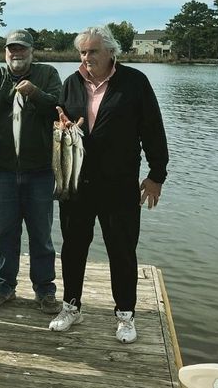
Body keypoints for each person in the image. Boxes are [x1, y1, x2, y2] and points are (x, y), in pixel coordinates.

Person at [48, 26, 169, 344]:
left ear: (111, 52)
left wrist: (157, 175)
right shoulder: (72, 83)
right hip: (77, 184)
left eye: (93, 51)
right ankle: (71, 307)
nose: (87, 57)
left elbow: (153, 130)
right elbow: (61, 123)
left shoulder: (134, 83)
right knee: (73, 249)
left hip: (120, 186)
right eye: (83, 52)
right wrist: (62, 125)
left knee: (122, 252)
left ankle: (125, 315)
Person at [0, 29, 63, 315]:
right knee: (5, 233)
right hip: (2, 171)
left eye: (22, 49)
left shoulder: (48, 74)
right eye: (12, 49)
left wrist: (35, 93)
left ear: (31, 51)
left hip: (40, 172)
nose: (17, 54)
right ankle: (4, 285)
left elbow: (59, 110)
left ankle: (45, 289)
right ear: (5, 52)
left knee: (41, 234)